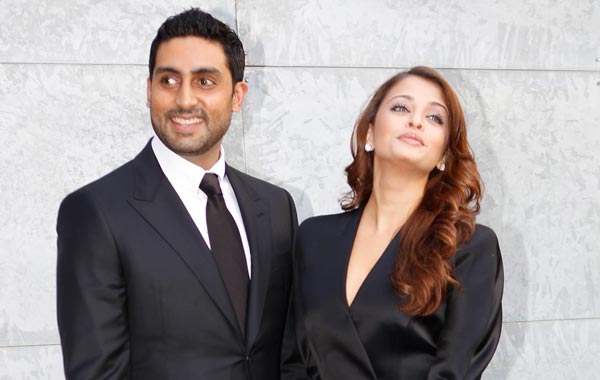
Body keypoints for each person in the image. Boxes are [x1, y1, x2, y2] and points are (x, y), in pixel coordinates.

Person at [57, 8, 298, 380]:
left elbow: (289, 353)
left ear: (237, 96)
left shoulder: (276, 206)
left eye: (205, 82)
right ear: (149, 89)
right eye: (169, 80)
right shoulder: (95, 212)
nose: (184, 100)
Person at [287, 66, 503, 379]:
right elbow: (292, 360)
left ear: (444, 154)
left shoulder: (470, 247)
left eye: (435, 118)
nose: (416, 120)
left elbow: (454, 372)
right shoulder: (314, 238)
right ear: (371, 132)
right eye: (401, 107)